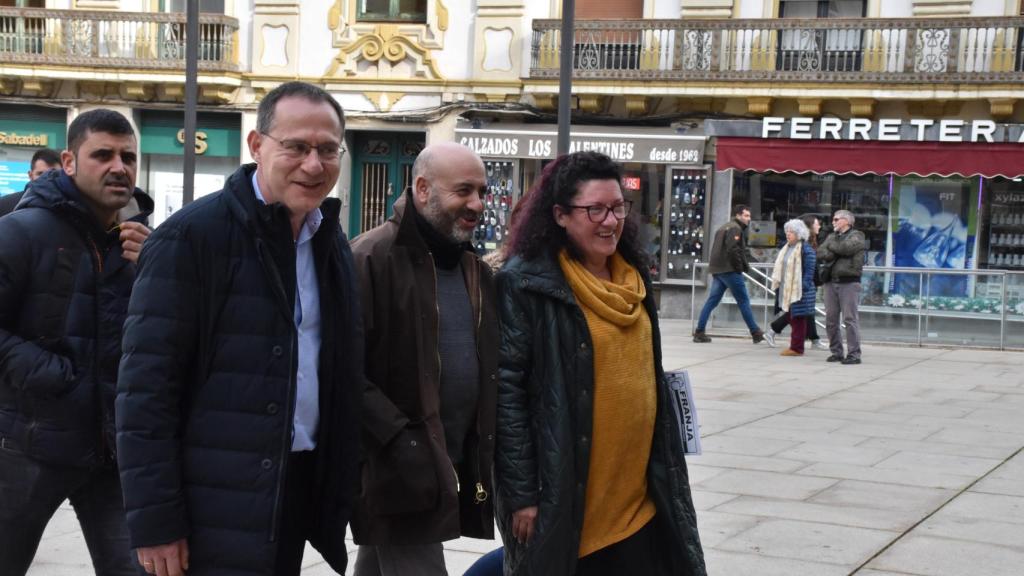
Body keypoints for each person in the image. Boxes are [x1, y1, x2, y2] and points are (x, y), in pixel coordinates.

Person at [115, 81, 363, 576]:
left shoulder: (328, 243)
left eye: (328, 149)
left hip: (291, 489)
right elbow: (144, 394)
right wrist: (157, 522)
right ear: (256, 146)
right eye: (295, 147)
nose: (314, 165)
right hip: (209, 504)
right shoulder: (191, 238)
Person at [494, 151, 706, 576]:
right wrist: (522, 494)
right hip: (567, 500)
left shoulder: (635, 279)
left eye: (617, 208)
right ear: (559, 215)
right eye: (595, 209)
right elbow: (506, 392)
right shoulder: (525, 283)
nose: (610, 221)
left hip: (642, 500)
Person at [0, 110, 153, 575]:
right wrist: (50, 374)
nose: (119, 167)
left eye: (128, 157)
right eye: (102, 155)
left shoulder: (143, 242)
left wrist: (155, 271)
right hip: (28, 446)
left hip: (112, 452)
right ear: (69, 161)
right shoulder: (20, 231)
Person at [349, 141, 498, 576]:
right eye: (464, 191)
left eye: (483, 192)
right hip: (398, 469)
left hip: (445, 464)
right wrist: (403, 442)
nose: (476, 204)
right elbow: (342, 370)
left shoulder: (475, 269)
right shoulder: (370, 257)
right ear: (421, 189)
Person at [692, 204, 773, 346]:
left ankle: (699, 332)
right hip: (729, 270)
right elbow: (733, 249)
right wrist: (738, 268)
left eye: (749, 215)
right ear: (738, 215)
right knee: (743, 301)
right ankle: (755, 332)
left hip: (718, 269)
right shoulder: (735, 228)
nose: (749, 219)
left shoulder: (724, 227)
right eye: (746, 215)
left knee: (712, 301)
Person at [767, 214, 828, 351]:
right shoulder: (788, 248)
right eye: (787, 231)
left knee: (799, 316)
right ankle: (806, 343)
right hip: (791, 287)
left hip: (801, 288)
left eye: (791, 232)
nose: (788, 234)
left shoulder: (805, 248)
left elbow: (809, 269)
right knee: (798, 315)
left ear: (799, 233)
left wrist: (804, 286)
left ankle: (798, 346)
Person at [818, 209, 865, 365]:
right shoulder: (832, 236)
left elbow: (846, 248)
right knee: (831, 319)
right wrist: (833, 249)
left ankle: (854, 354)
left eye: (836, 219)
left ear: (847, 221)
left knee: (850, 319)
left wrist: (831, 246)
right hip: (831, 281)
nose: (833, 222)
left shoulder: (857, 235)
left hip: (849, 282)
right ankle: (836, 352)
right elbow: (820, 252)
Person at [0, 147, 61, 217]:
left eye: (53, 173)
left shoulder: (71, 207)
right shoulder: (5, 205)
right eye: (40, 174)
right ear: (30, 175)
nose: (46, 178)